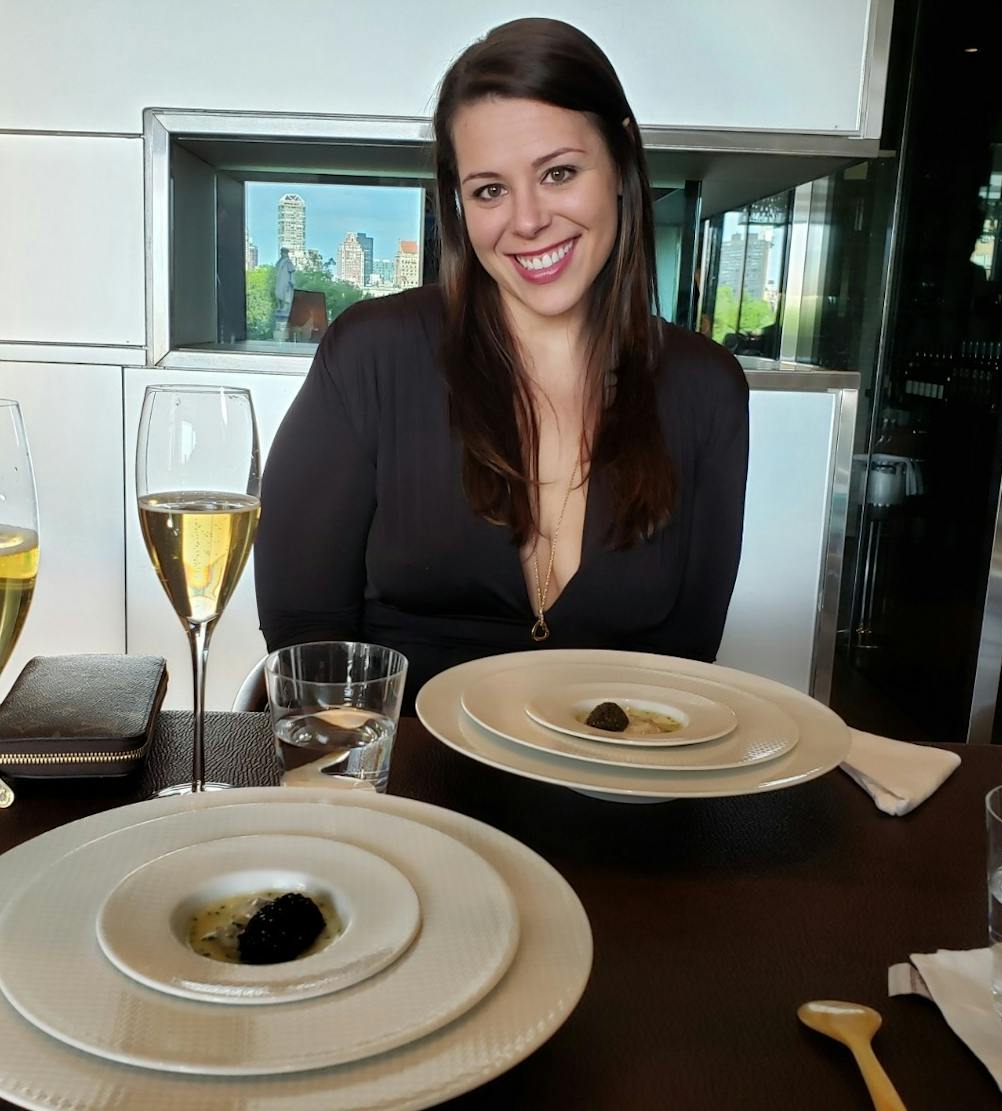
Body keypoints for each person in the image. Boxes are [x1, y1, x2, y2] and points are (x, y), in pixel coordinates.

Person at [255, 18, 749, 709]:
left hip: (605, 798)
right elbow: (305, 643)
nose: (527, 220)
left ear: (623, 159)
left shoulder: (708, 389)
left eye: (559, 173)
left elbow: (686, 671)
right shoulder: (370, 355)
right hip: (402, 793)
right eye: (490, 190)